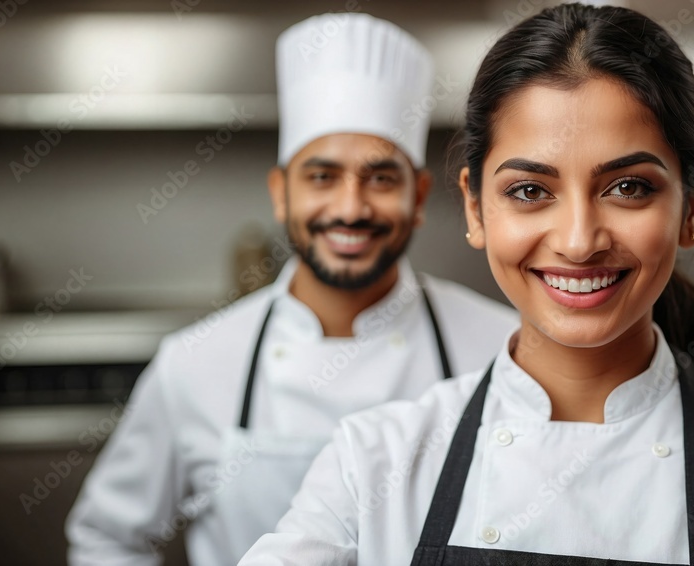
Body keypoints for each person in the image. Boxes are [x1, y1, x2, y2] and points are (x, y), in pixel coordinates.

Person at [237, 4, 694, 565]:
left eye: (628, 186)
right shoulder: (378, 464)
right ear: (474, 208)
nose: (579, 240)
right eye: (529, 192)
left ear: (692, 208)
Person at [65, 13, 518, 566]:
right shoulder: (195, 364)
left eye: (380, 178)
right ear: (281, 193)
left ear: (419, 196)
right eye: (322, 177)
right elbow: (107, 538)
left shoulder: (504, 348)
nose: (350, 208)